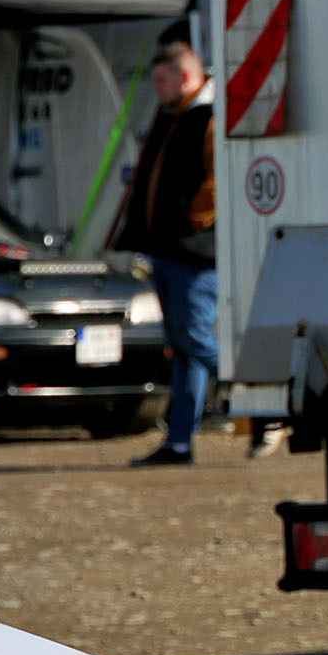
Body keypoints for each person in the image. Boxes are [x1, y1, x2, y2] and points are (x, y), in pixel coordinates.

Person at [114, 43, 218, 467]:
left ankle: (267, 391)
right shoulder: (173, 116)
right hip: (171, 251)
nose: (156, 88)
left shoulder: (207, 118)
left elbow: (216, 183)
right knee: (184, 348)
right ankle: (179, 441)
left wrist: (191, 223)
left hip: (192, 255)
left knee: (195, 341)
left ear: (185, 77)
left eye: (161, 80)